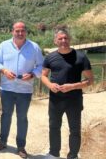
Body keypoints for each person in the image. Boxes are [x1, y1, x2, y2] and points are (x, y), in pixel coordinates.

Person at [0, 21, 44, 158]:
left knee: (22, 118)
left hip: (25, 90)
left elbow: (41, 66)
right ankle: (2, 141)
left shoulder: (34, 47)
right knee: (5, 115)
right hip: (7, 89)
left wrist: (32, 74)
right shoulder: (4, 45)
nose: (20, 33)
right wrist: (3, 70)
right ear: (12, 32)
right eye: (17, 31)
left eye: (22, 31)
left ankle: (21, 147)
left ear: (26, 31)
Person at [41, 28, 94, 159]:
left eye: (66, 38)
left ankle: (73, 155)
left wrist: (73, 86)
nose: (63, 41)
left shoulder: (81, 57)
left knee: (75, 129)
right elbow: (43, 76)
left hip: (74, 99)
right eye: (60, 38)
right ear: (55, 41)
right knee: (54, 127)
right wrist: (50, 85)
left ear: (69, 40)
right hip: (55, 99)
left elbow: (90, 80)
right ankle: (53, 154)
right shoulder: (50, 57)